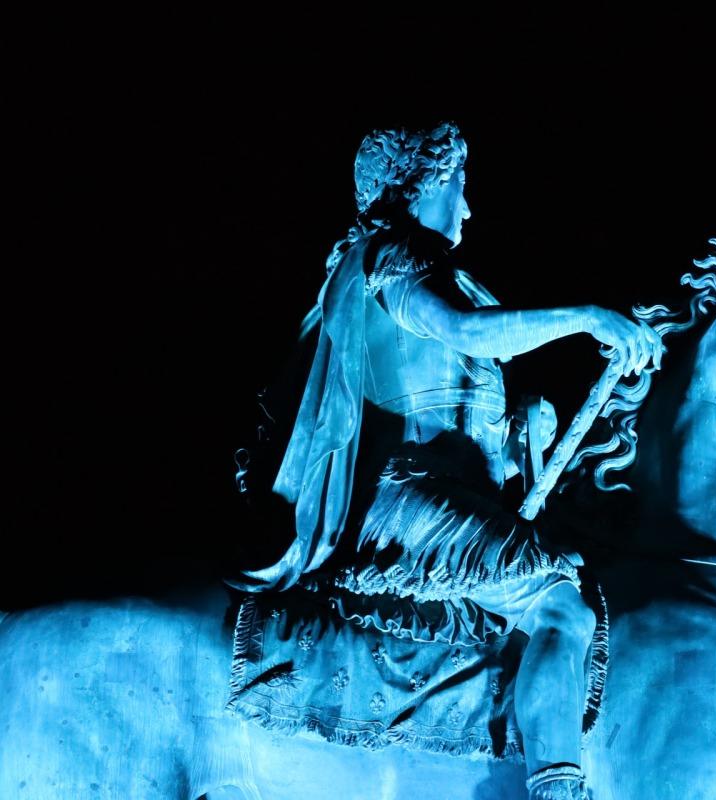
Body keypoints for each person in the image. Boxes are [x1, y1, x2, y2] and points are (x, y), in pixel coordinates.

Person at [235, 123, 662, 800]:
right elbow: (465, 334)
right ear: (428, 180)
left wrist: (528, 427)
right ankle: (557, 790)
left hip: (445, 490)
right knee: (560, 607)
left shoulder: (432, 267)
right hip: (405, 499)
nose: (467, 208)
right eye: (461, 186)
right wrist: (589, 318)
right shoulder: (394, 253)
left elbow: (460, 399)